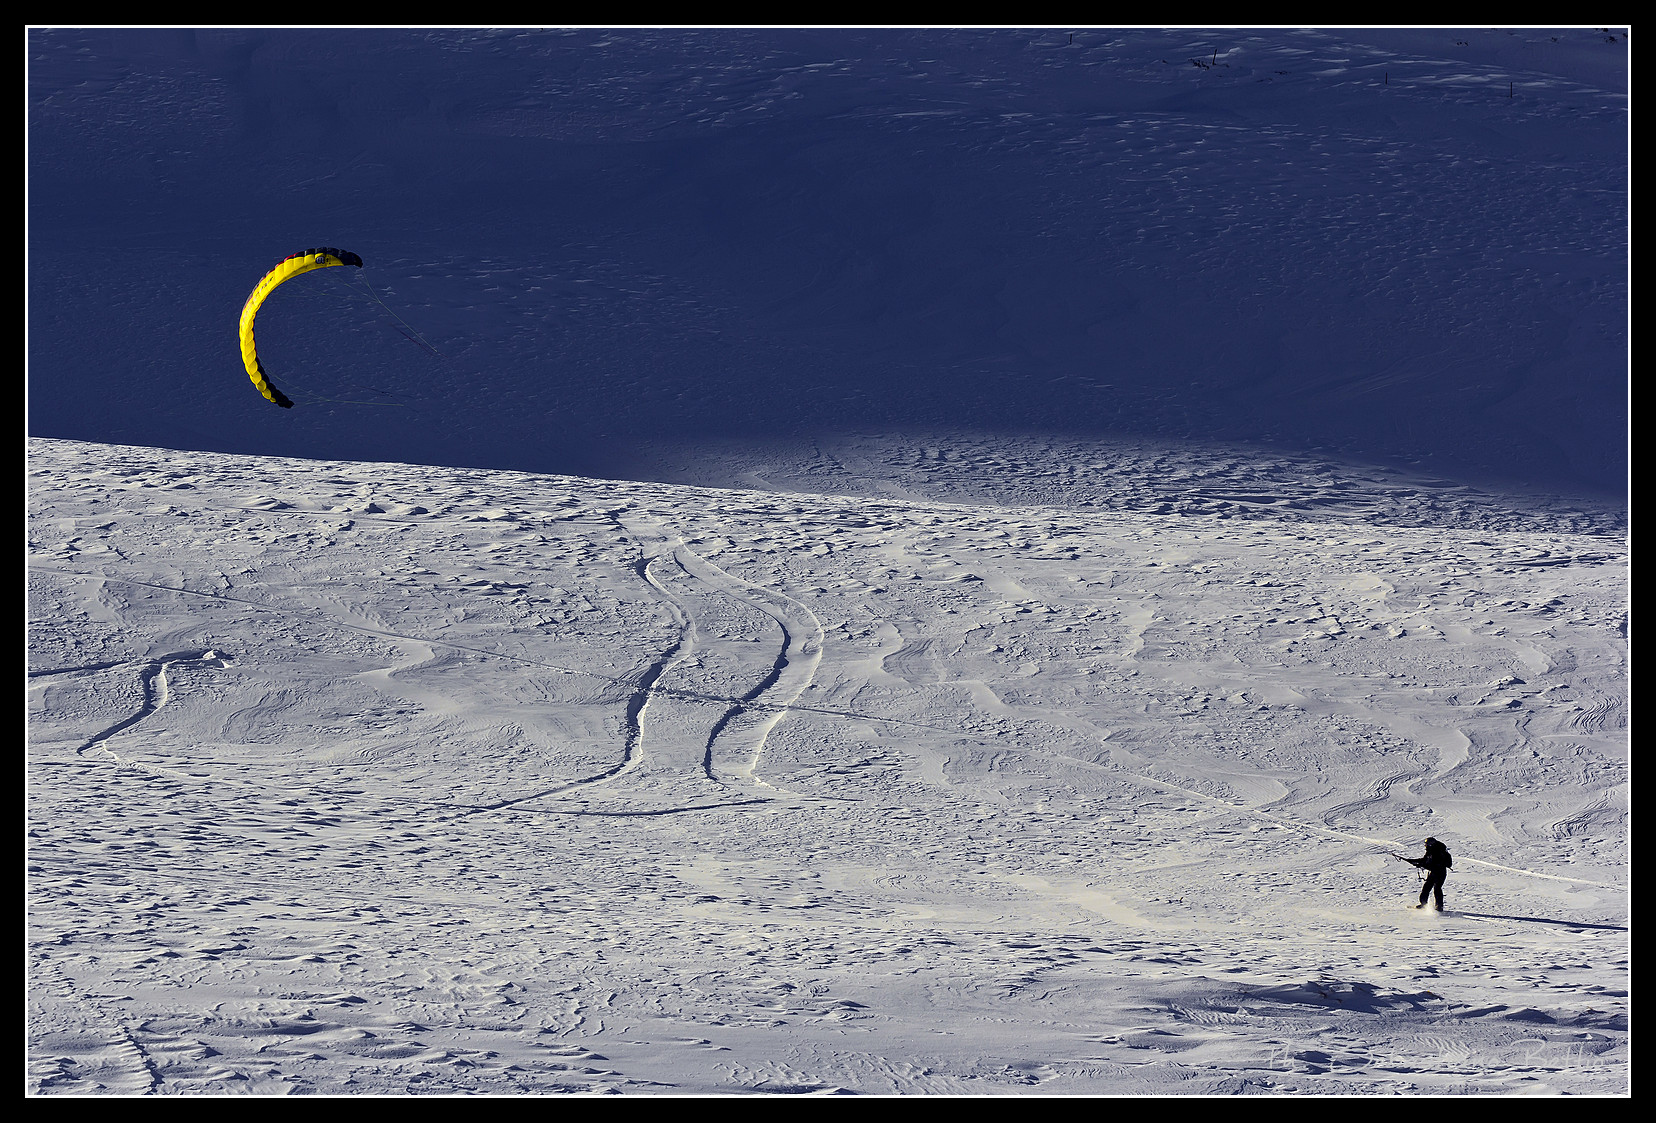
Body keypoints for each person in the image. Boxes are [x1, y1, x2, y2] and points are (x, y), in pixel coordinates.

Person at [1403, 837, 1453, 910]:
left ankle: (1439, 907)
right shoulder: (1431, 850)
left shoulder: (1438, 852)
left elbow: (1433, 864)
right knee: (1426, 888)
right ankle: (1423, 904)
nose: (1425, 846)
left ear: (1430, 844)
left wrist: (1421, 865)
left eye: (1426, 844)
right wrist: (1412, 861)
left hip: (1440, 872)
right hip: (1433, 872)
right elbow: (1425, 860)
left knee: (1437, 888)